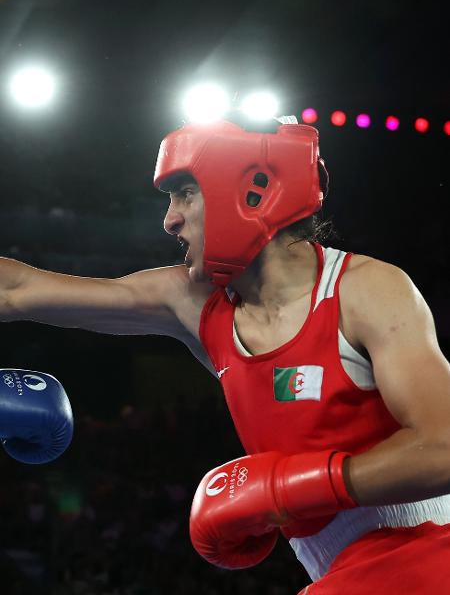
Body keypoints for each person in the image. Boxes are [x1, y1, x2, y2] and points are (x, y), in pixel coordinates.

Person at [1, 115, 450, 593]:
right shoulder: (195, 303)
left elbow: (443, 448)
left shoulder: (366, 290)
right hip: (343, 576)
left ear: (252, 191)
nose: (169, 219)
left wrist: (286, 489)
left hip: (431, 551)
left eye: (184, 194)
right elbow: (18, 289)